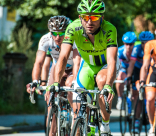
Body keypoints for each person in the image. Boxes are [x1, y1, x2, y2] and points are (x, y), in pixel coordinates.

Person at [50, 0, 119, 135]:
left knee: (101, 81)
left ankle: (105, 125)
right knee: (79, 108)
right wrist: (56, 82)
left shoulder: (110, 29)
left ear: (102, 18)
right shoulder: (73, 28)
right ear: (80, 18)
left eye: (93, 17)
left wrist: (108, 85)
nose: (89, 22)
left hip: (105, 65)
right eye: (85, 17)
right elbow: (63, 56)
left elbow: (111, 60)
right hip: (88, 65)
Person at [26, 16, 81, 136]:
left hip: (74, 68)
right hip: (58, 69)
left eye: (61, 33)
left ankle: (75, 118)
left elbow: (77, 62)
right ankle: (52, 132)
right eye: (54, 33)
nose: (57, 37)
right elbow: (39, 62)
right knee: (51, 98)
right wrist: (35, 81)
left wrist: (75, 80)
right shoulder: (45, 39)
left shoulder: (74, 38)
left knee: (70, 88)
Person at [130, 31, 154, 134]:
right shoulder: (137, 49)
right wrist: (128, 77)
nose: (145, 44)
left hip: (151, 70)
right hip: (138, 70)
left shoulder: (154, 48)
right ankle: (136, 120)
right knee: (137, 95)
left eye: (148, 42)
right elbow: (131, 64)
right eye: (143, 42)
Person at [116, 31, 137, 110]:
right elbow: (115, 65)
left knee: (134, 83)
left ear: (134, 43)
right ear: (123, 43)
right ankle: (120, 99)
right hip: (124, 69)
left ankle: (131, 97)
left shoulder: (136, 51)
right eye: (126, 44)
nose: (128, 46)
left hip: (134, 69)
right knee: (119, 78)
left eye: (131, 44)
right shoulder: (120, 51)